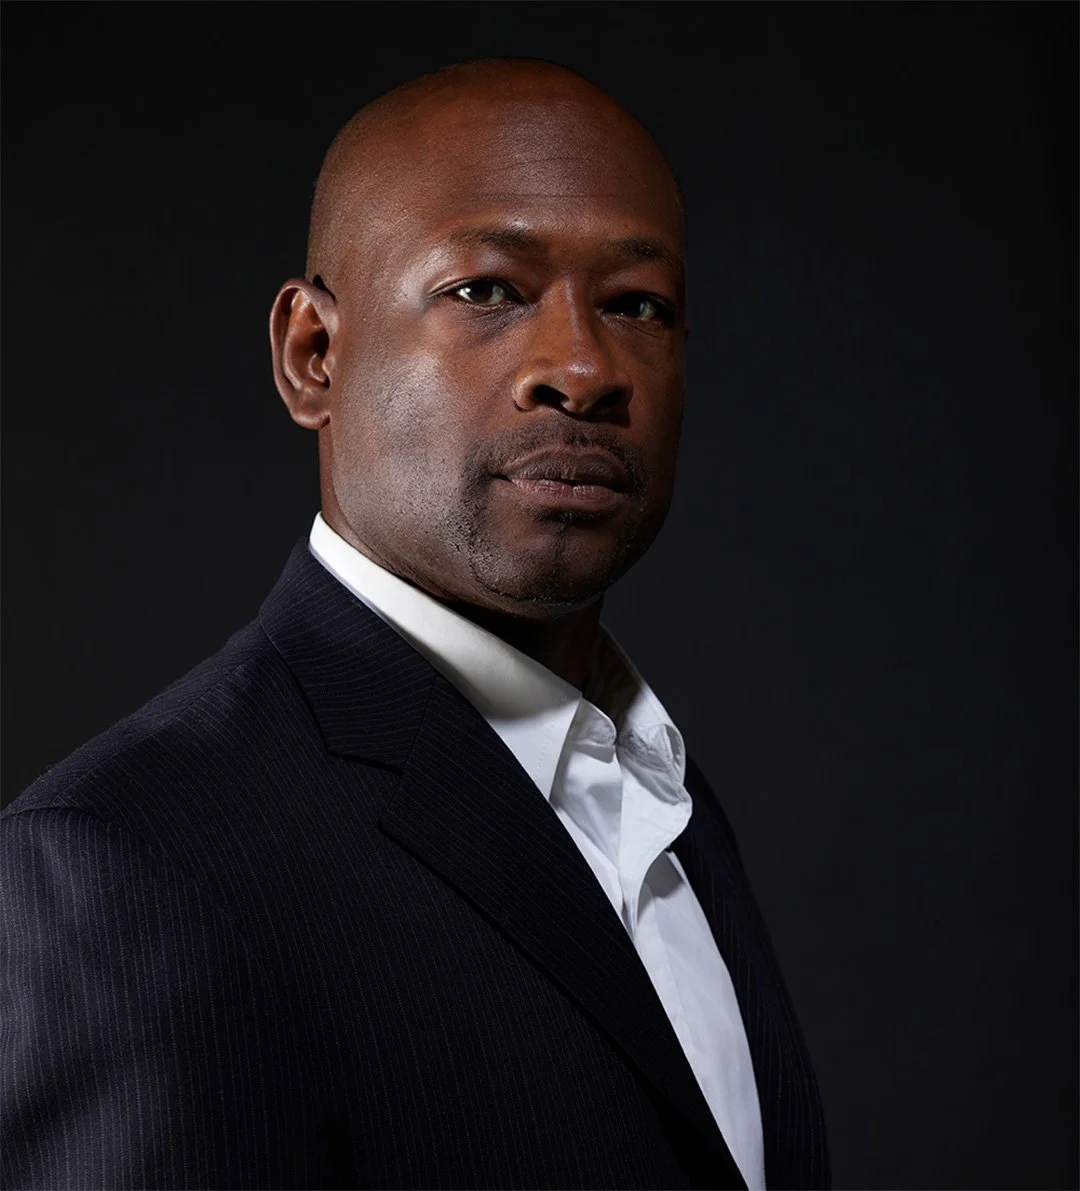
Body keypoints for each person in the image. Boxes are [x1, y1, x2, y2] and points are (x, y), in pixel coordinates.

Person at [1, 58, 828, 1191]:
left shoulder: (662, 798)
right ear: (313, 355)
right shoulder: (132, 865)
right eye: (487, 290)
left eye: (637, 304)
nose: (582, 367)